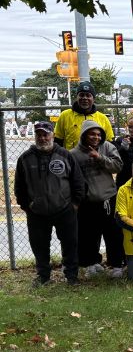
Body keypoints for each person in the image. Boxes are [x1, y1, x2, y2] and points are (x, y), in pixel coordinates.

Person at [14, 121, 85, 286]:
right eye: (39, 135)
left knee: (70, 244)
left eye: (45, 134)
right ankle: (43, 276)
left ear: (52, 135)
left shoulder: (66, 155)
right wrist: (27, 206)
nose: (42, 138)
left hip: (64, 209)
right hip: (37, 212)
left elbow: (78, 182)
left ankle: (71, 276)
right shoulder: (25, 158)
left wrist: (74, 204)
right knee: (39, 245)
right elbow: (19, 186)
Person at [70, 120, 124, 278]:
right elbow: (72, 179)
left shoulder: (107, 147)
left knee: (113, 234)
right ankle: (92, 263)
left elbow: (118, 166)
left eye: (99, 134)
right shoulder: (74, 154)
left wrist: (100, 157)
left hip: (108, 198)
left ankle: (116, 264)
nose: (96, 137)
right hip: (87, 202)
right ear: (84, 135)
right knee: (89, 235)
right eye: (92, 134)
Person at [54, 81, 114, 150]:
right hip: (71, 156)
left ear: (93, 99)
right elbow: (58, 141)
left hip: (96, 156)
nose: (85, 98)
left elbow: (110, 143)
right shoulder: (65, 115)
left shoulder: (103, 118)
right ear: (77, 97)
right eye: (81, 95)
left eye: (88, 95)